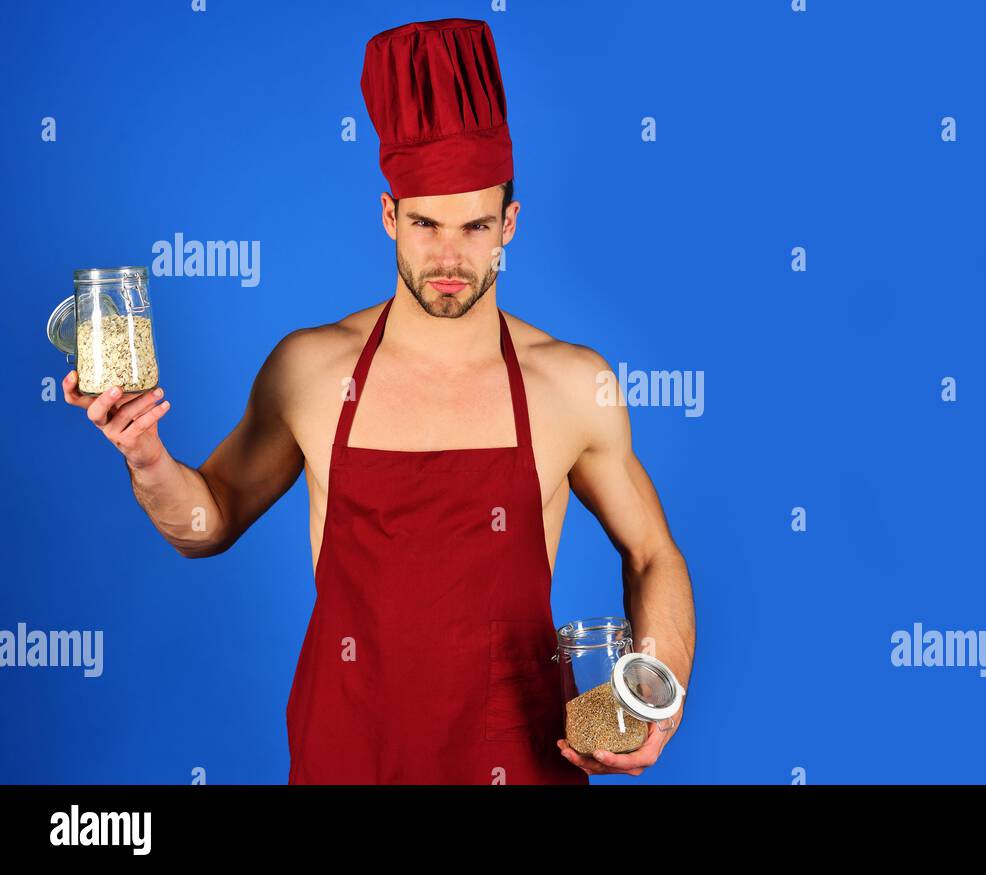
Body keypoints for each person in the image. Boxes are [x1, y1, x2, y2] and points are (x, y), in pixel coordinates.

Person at [60, 17, 695, 784]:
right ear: (390, 215)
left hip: (518, 762)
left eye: (475, 227)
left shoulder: (570, 384)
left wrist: (657, 696)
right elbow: (210, 521)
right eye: (426, 224)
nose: (451, 257)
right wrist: (148, 458)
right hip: (347, 762)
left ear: (510, 225)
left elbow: (654, 553)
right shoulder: (310, 370)